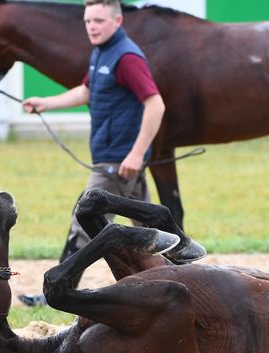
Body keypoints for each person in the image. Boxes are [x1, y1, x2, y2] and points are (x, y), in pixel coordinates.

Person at [18, 0, 165, 306]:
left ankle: (56, 291)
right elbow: (87, 91)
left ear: (118, 20)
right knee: (148, 227)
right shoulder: (103, 52)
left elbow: (156, 104)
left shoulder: (126, 57)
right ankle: (177, 275)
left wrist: (136, 154)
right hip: (114, 160)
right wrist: (46, 103)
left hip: (117, 162)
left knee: (82, 222)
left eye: (99, 20)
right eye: (88, 21)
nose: (92, 27)